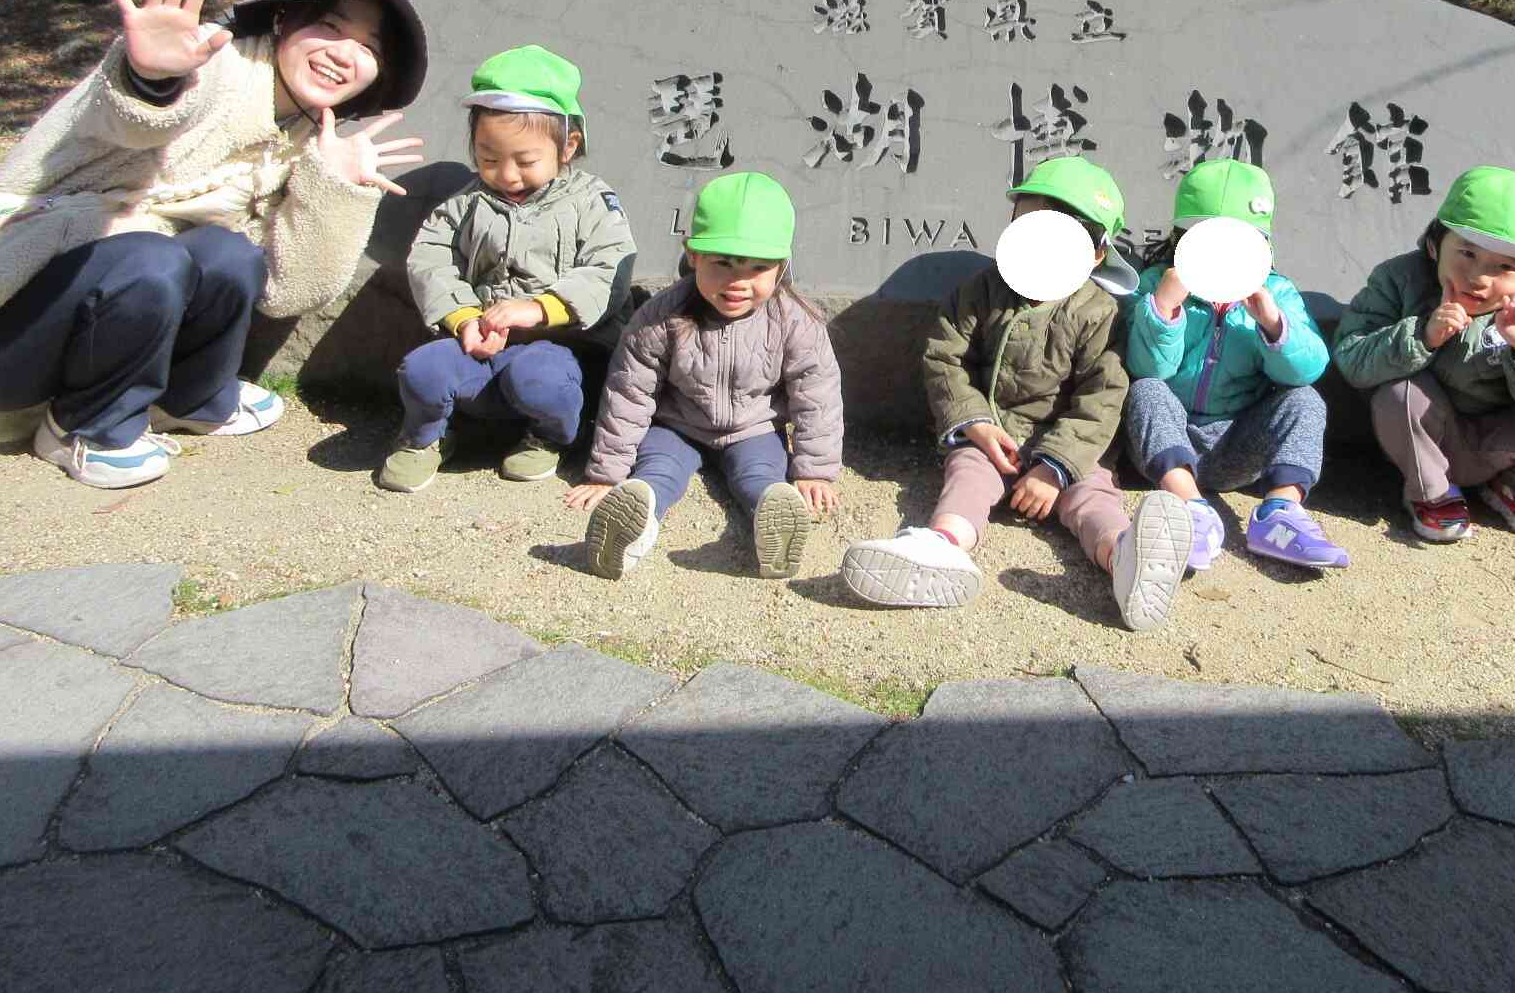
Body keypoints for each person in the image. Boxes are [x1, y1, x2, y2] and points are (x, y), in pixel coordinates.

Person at [0, 0, 425, 488]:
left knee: (227, 254)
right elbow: (139, 120)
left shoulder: (305, 137)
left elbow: (289, 292)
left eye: (370, 46)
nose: (345, 54)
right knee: (150, 256)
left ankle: (188, 398)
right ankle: (81, 426)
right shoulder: (214, 66)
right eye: (329, 25)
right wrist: (150, 80)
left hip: (101, 332)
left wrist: (334, 188)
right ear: (283, 18)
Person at [838, 156, 1194, 633]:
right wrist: (976, 424)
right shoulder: (981, 292)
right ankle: (943, 544)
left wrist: (1055, 467)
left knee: (1092, 501)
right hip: (993, 437)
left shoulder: (1099, 312)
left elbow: (1102, 396)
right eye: (1028, 229)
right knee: (968, 478)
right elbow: (945, 359)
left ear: (1096, 254)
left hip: (1071, 451)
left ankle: (1122, 556)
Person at [379, 46, 636, 492]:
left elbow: (608, 268)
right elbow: (431, 256)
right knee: (422, 371)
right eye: (489, 159)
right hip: (478, 342)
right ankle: (425, 437)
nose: (507, 175)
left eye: (526, 161)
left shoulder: (592, 202)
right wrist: (461, 317)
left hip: (556, 349)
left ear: (568, 147)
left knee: (541, 379)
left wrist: (539, 309)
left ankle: (549, 437)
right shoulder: (466, 202)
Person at [565, 172, 841, 581]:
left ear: (781, 267)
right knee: (657, 472)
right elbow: (629, 392)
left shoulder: (794, 320)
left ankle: (775, 521)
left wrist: (814, 470)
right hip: (677, 426)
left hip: (754, 428)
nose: (738, 282)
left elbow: (816, 394)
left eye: (758, 268)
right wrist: (606, 474)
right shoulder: (661, 316)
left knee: (761, 475)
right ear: (693, 255)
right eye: (722, 263)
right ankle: (632, 533)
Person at [1332, 166, 1515, 543]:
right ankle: (1433, 494)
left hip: (1500, 439)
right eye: (1466, 253)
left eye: (1506, 267)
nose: (1479, 277)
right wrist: (1423, 335)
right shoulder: (1398, 278)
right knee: (1400, 396)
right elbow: (1352, 358)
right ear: (1435, 245)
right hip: (1430, 435)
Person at [1122, 158, 1340, 569]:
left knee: (1306, 400)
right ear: (1181, 240)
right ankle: (1191, 511)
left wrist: (1273, 323)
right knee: (1145, 391)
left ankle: (1280, 515)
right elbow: (1149, 368)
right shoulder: (1156, 284)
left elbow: (1307, 369)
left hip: (1238, 445)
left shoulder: (1277, 293)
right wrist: (1165, 310)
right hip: (1169, 441)